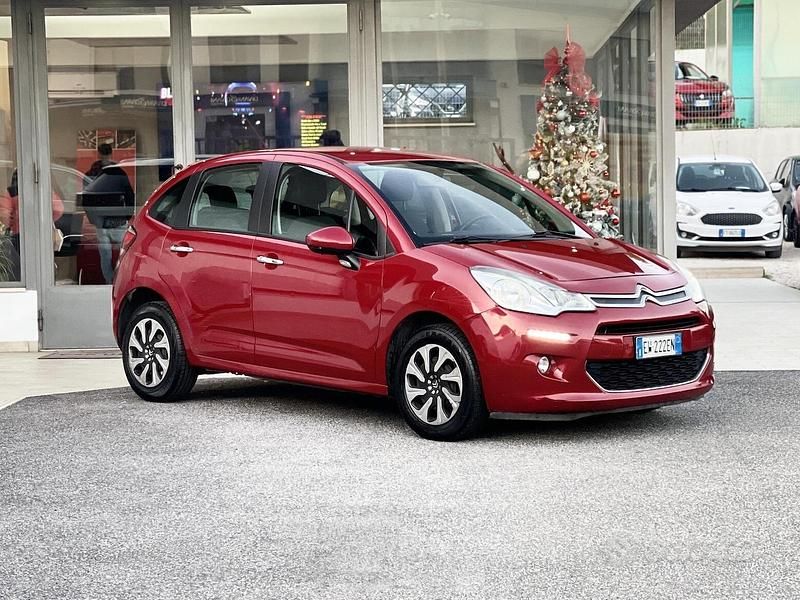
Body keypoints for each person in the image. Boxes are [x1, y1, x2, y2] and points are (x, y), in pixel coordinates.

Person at [0, 169, 64, 281]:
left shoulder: (11, 192)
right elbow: (58, 209)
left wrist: (13, 222)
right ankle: (43, 283)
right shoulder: (44, 190)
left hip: (19, 235)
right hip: (42, 234)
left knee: (21, 264)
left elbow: (5, 216)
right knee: (41, 263)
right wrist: (46, 220)